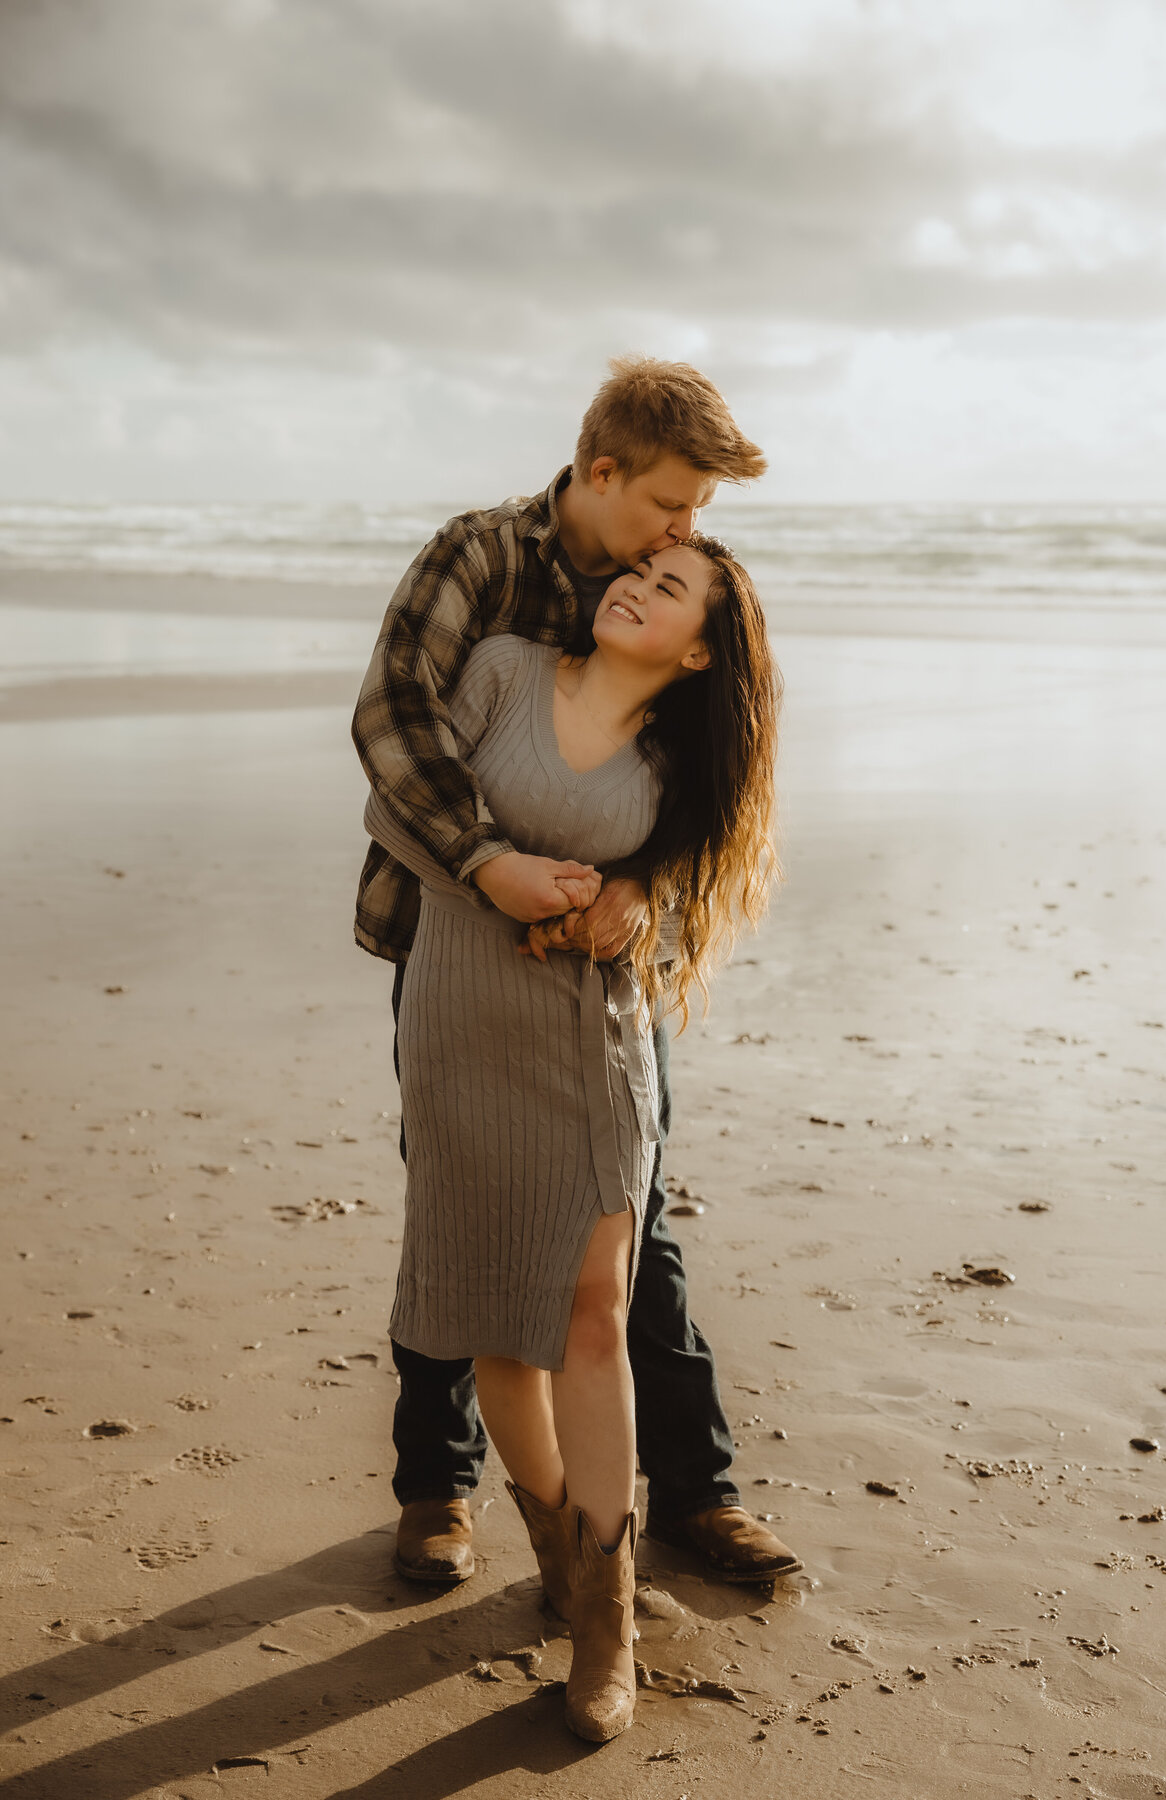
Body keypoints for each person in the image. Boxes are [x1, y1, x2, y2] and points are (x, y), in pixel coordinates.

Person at [352, 357, 802, 1594]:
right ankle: (436, 1484)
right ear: (601, 473)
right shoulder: (483, 560)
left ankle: (693, 1488)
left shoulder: (670, 599)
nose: (685, 532)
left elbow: (697, 790)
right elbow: (395, 717)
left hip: (605, 972)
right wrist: (489, 863)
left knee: (633, 1216)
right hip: (456, 939)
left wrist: (644, 898)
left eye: (697, 517)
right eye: (672, 503)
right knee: (459, 1203)